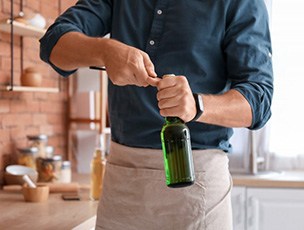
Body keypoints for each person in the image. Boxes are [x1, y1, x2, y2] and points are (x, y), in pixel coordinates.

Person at [40, 0, 273, 229]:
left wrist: (196, 104)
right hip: (122, 181)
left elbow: (258, 100)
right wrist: (104, 50)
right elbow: (53, 44)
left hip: (197, 185)